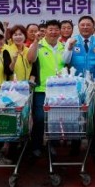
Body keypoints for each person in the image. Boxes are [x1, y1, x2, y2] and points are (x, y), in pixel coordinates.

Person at [65, 15, 95, 156]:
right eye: (82, 25)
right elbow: (65, 60)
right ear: (78, 26)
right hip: (76, 86)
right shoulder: (72, 41)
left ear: (93, 27)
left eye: (88, 25)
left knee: (94, 116)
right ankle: (75, 145)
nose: (85, 27)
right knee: (76, 116)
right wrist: (69, 48)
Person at [27, 19, 67, 157]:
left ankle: (52, 145)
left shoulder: (63, 47)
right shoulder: (39, 45)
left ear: (60, 31)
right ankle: (36, 145)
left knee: (55, 119)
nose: (53, 32)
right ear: (45, 31)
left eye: (56, 29)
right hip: (41, 89)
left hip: (59, 90)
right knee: (38, 118)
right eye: (50, 29)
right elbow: (30, 59)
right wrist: (35, 42)